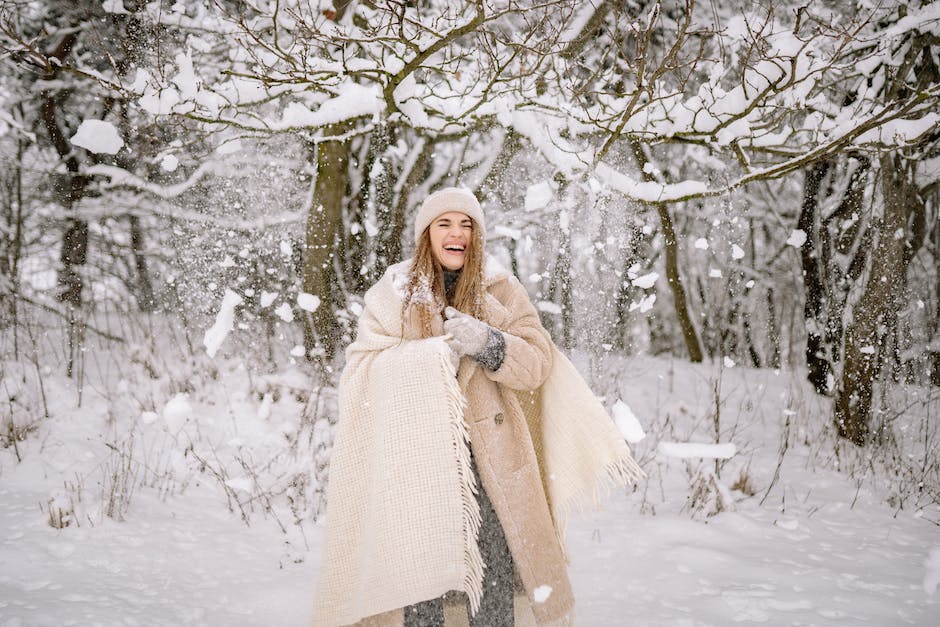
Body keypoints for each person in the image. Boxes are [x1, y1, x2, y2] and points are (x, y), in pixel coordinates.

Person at [312, 188, 643, 627]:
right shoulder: (393, 293)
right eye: (445, 224)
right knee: (419, 581)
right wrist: (431, 359)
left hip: (495, 460)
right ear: (426, 234)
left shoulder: (502, 289)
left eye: (467, 224)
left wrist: (489, 343)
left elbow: (538, 363)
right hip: (420, 461)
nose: (457, 234)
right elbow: (362, 371)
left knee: (496, 577)